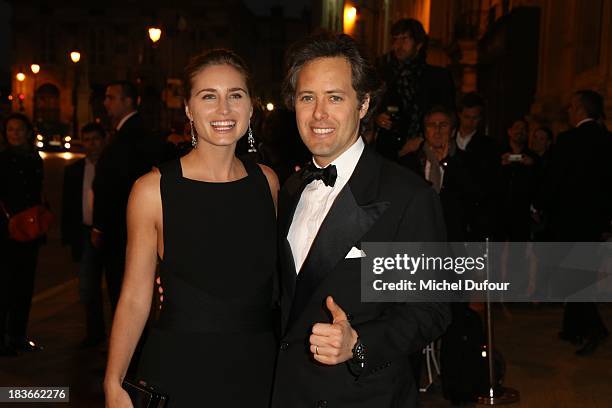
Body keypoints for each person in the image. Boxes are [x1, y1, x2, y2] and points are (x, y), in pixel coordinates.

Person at [271, 32, 451, 408]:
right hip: (290, 391)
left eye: (334, 97)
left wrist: (359, 344)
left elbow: (430, 310)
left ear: (363, 103)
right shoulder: (290, 189)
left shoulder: (407, 197)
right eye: (307, 98)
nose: (319, 113)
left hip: (361, 395)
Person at [104, 49, 280, 407]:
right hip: (179, 367)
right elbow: (136, 296)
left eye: (235, 95)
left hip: (259, 368)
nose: (224, 110)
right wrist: (113, 381)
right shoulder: (152, 190)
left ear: (250, 106)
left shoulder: (269, 183)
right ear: (188, 108)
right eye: (208, 97)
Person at [539, 90, 611, 355]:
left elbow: (554, 180)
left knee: (574, 276)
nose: (568, 112)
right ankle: (573, 327)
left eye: (571, 107)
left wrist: (539, 205)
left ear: (580, 109)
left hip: (569, 219)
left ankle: (594, 329)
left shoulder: (569, 140)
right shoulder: (607, 139)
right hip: (595, 221)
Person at [92, 80, 163, 311]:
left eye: (111, 97)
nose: (106, 103)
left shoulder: (131, 135)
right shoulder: (127, 132)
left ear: (128, 101)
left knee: (123, 292)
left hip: (121, 228)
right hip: (124, 227)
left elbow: (113, 184)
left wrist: (100, 226)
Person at [375, 18, 455, 160]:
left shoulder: (437, 77)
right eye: (395, 40)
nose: (398, 45)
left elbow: (447, 115)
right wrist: (378, 118)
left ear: (418, 44)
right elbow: (369, 108)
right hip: (388, 152)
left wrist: (423, 140)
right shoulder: (383, 75)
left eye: (405, 39)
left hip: (425, 152)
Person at [0, 113, 45, 356]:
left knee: (25, 287)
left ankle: (18, 335)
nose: (14, 133)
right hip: (6, 233)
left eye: (18, 129)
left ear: (28, 132)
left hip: (31, 231)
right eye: (10, 130)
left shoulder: (35, 158)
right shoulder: (3, 159)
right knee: (5, 287)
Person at [61, 123, 107, 348]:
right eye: (87, 139)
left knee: (116, 285)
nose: (91, 144)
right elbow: (68, 205)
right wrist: (68, 237)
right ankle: (95, 333)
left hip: (109, 233)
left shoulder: (111, 167)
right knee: (87, 287)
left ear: (103, 140)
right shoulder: (75, 170)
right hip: (85, 233)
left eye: (95, 139)